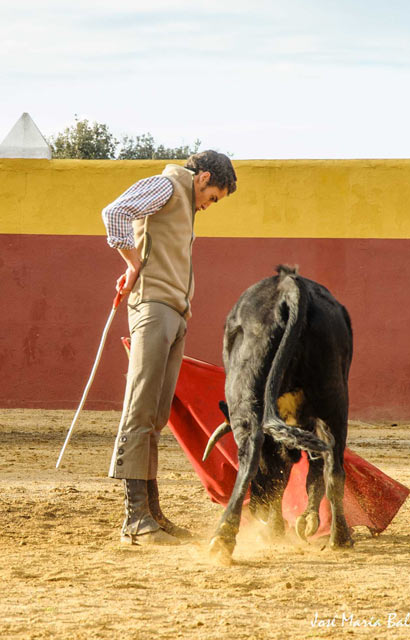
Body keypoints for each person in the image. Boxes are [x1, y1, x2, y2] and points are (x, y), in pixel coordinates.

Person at [102, 150, 237, 545]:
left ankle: (152, 514)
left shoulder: (180, 201)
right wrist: (131, 265)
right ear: (203, 177)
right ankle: (135, 519)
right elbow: (115, 213)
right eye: (212, 196)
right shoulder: (165, 185)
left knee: (156, 414)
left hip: (174, 312)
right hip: (154, 307)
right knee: (141, 407)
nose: (209, 205)